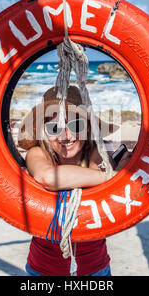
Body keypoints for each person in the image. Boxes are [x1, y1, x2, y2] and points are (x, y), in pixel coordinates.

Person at [17, 85, 130, 276]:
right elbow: (48, 177)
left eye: (75, 126)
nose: (65, 137)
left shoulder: (97, 152)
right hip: (43, 271)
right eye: (54, 128)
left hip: (95, 269)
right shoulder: (38, 154)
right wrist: (110, 177)